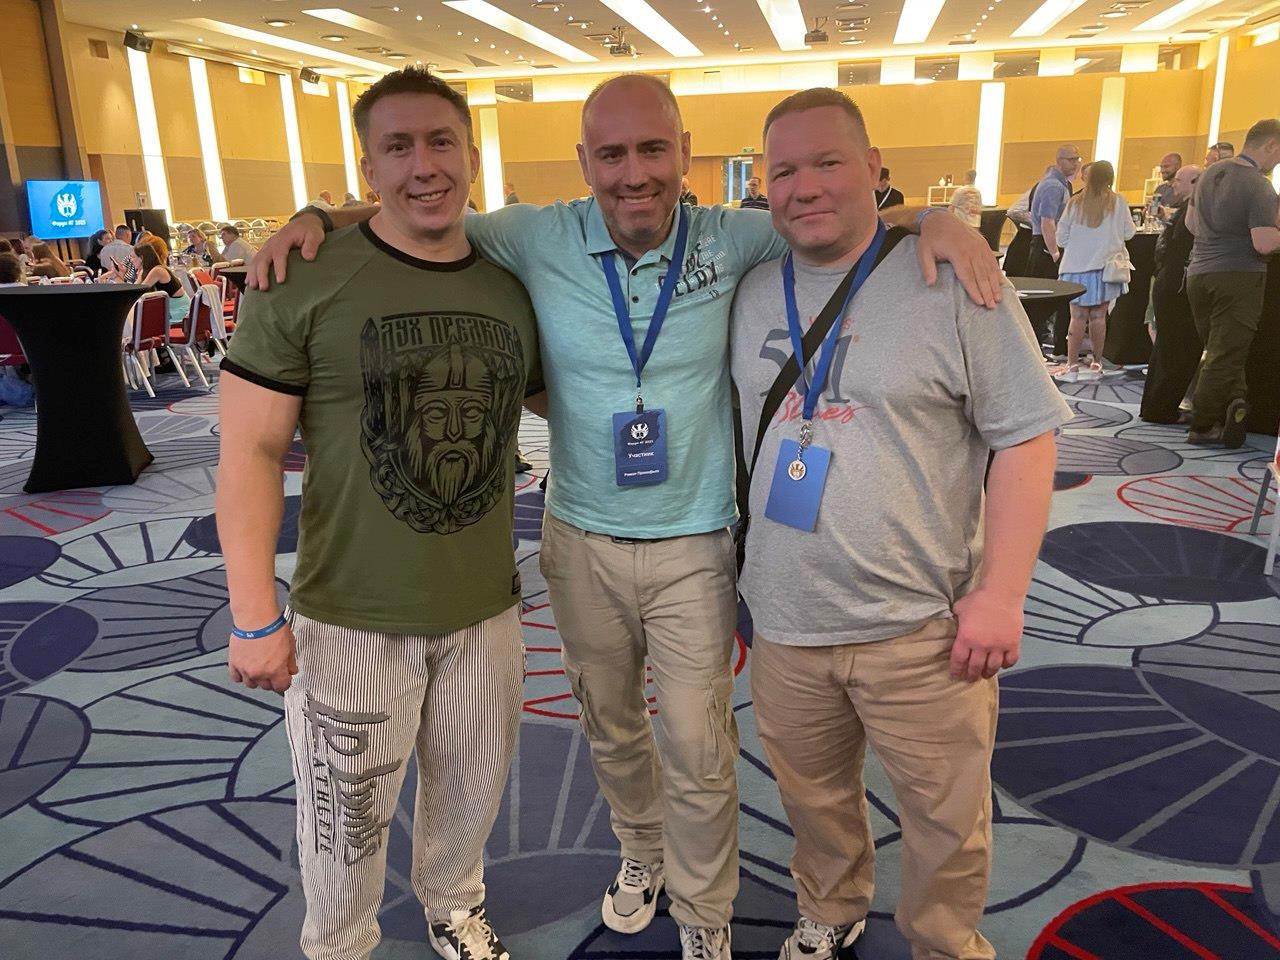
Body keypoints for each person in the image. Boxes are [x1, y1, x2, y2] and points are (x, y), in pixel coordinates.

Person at [252, 74, 1001, 960]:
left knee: (698, 743)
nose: (634, 172)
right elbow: (413, 207)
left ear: (686, 153)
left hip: (695, 543)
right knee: (610, 728)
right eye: (612, 154)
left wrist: (938, 220)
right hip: (579, 539)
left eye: (653, 150)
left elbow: (843, 217)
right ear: (585, 162)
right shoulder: (534, 233)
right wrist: (312, 215)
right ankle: (642, 852)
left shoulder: (736, 235)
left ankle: (705, 916)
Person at [731, 87, 1068, 960]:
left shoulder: (955, 281)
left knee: (947, 819)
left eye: (829, 162)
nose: (806, 186)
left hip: (922, 626)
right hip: (785, 617)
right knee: (812, 799)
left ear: (875, 169)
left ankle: (944, 942)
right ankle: (830, 907)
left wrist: (1003, 594)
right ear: (763, 185)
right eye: (784, 170)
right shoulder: (750, 288)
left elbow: (1027, 438)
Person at [218, 67, 541, 960]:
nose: (423, 165)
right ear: (368, 168)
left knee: (473, 787)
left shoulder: (512, 281)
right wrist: (251, 614)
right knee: (345, 822)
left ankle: (454, 906)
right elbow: (247, 454)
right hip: (351, 614)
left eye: (441, 142)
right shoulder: (302, 278)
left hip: (486, 605)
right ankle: (339, 944)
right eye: (397, 147)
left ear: (471, 155)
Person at [1185, 118, 1280, 447]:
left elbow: (1191, 223)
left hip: (1199, 273)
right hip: (1238, 275)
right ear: (1270, 145)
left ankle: (1235, 404)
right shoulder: (1259, 185)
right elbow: (1263, 243)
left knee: (1219, 350)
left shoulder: (1209, 173)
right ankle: (1203, 425)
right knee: (1226, 354)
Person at [1052, 160, 1135, 381]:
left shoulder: (1075, 202)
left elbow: (1061, 237)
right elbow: (1129, 233)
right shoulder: (1118, 202)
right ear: (1110, 178)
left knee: (1077, 318)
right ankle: (1097, 363)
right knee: (1099, 317)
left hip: (1074, 268)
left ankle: (1071, 365)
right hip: (1105, 269)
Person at [1142, 164, 1203, 424]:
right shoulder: (1193, 210)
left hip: (1170, 283)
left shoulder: (1188, 210)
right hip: (1176, 287)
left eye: (1179, 180)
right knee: (1179, 348)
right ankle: (1162, 409)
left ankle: (1155, 407)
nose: (1173, 185)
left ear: (1195, 182)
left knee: (1168, 347)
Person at [1025, 144, 1082, 350]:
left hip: (1047, 245)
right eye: (1071, 160)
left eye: (1077, 159)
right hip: (1046, 246)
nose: (1075, 164)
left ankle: (1047, 345)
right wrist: (1055, 253)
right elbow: (1047, 222)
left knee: (1047, 300)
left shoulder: (1061, 184)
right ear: (1059, 161)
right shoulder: (1053, 186)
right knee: (1043, 300)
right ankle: (1035, 347)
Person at [133, 242, 191, 322]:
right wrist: (119, 276)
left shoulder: (157, 270)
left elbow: (138, 292)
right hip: (170, 308)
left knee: (137, 319)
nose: (132, 260)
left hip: (178, 311)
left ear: (141, 258)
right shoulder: (149, 270)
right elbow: (134, 290)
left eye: (133, 257)